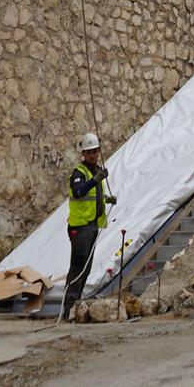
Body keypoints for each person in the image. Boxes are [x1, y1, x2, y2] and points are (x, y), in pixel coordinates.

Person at [63, 132, 116, 310]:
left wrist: (107, 200)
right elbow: (79, 192)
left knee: (85, 268)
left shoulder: (95, 172)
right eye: (89, 152)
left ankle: (75, 304)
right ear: (83, 154)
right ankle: (70, 305)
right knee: (78, 267)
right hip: (80, 227)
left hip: (92, 225)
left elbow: (94, 197)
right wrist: (95, 180)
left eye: (95, 151)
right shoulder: (80, 173)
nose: (93, 155)